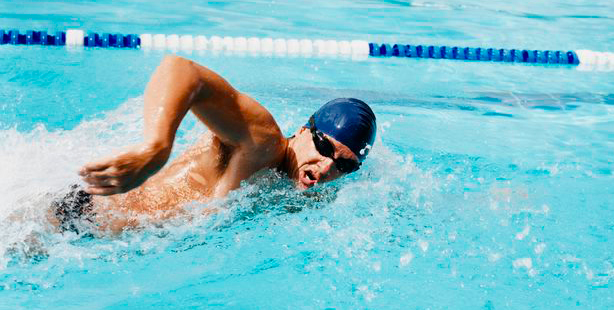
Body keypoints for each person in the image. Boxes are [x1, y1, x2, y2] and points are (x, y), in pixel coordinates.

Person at [50, 55, 376, 234]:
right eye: (324, 147)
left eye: (345, 165)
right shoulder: (262, 141)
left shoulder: (306, 192)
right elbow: (182, 70)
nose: (328, 167)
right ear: (305, 129)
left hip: (95, 240)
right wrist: (156, 148)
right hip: (79, 214)